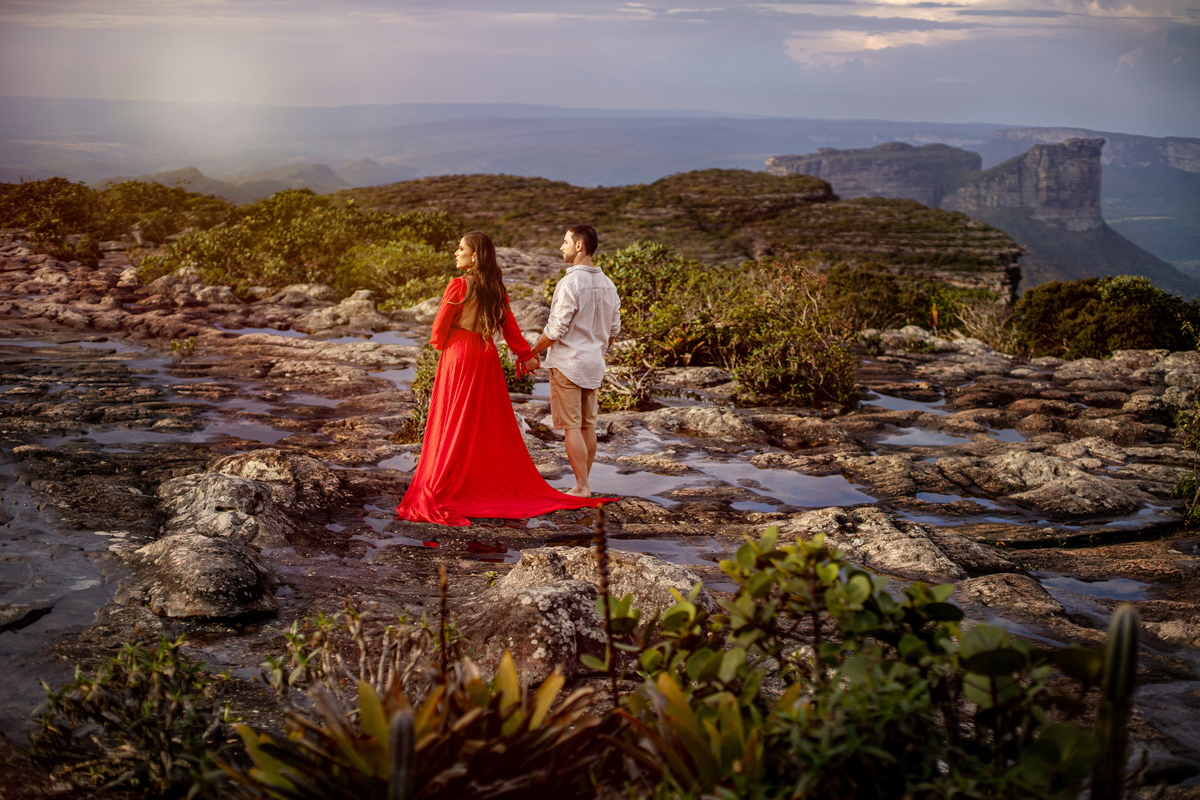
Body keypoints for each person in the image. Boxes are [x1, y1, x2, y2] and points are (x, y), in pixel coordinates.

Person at [396, 231, 615, 526]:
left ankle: (450, 476)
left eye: (460, 248)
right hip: (485, 355)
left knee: (453, 418)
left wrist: (446, 345)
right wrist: (525, 354)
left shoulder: (458, 285)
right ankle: (484, 478)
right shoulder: (497, 288)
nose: (456, 253)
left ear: (474, 255)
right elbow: (510, 327)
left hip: (458, 354)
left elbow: (438, 331)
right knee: (483, 422)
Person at [528, 224, 621, 498]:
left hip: (568, 364)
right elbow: (614, 331)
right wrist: (597, 352)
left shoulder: (570, 282)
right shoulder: (608, 284)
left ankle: (581, 487)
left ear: (579, 246)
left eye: (566, 242)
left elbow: (555, 329)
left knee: (572, 427)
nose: (561, 247)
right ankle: (584, 484)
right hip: (593, 364)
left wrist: (533, 351)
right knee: (587, 426)